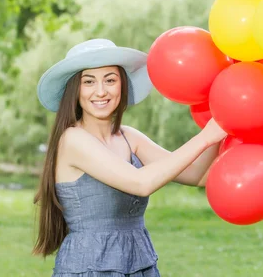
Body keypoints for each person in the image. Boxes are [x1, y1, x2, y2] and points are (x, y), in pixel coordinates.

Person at [33, 38, 227, 277]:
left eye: (110, 80)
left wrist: (223, 119)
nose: (101, 91)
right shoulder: (73, 140)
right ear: (75, 90)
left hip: (138, 264)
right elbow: (141, 183)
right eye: (89, 82)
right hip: (90, 267)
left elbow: (198, 175)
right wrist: (206, 137)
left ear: (122, 85)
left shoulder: (129, 138)